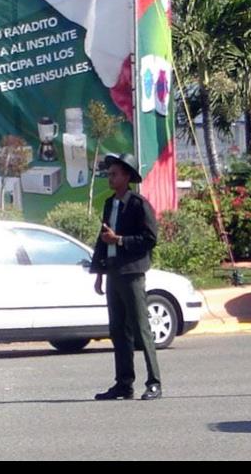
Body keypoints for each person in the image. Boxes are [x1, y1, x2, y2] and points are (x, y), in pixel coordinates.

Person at [90, 153, 161, 401]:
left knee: (141, 329)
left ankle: (154, 382)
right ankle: (123, 383)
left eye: (115, 174)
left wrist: (119, 240)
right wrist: (98, 272)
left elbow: (150, 239)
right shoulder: (110, 204)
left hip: (132, 273)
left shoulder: (138, 204)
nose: (110, 178)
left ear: (127, 176)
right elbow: (103, 238)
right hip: (113, 273)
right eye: (109, 174)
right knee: (118, 330)